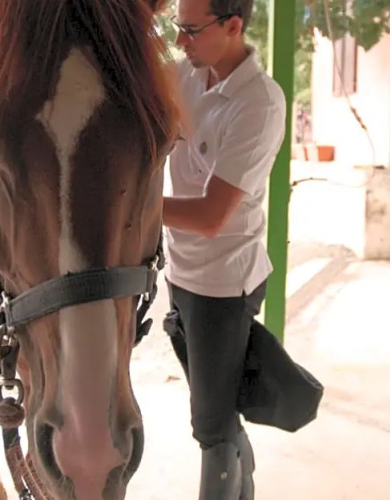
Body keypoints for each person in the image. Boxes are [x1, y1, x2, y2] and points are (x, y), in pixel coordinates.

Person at [161, 0, 287, 498]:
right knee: (215, 411)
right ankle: (243, 479)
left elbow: (212, 216)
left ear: (234, 26)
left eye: (191, 30)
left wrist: (126, 208)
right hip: (180, 272)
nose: (180, 41)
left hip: (223, 285)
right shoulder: (186, 77)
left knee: (211, 429)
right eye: (178, 28)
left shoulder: (259, 103)